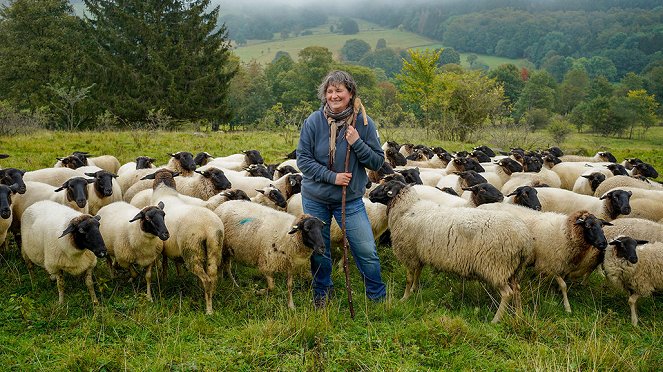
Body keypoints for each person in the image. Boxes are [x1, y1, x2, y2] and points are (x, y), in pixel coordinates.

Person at [296, 70, 387, 308]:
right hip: (315, 197)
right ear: (324, 95)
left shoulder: (364, 123)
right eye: (330, 91)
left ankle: (376, 296)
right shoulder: (314, 121)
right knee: (319, 249)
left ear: (350, 93)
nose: (334, 96)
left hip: (350, 200)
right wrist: (332, 177)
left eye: (339, 91)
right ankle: (322, 293)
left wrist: (356, 142)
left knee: (365, 248)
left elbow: (377, 162)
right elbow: (303, 160)